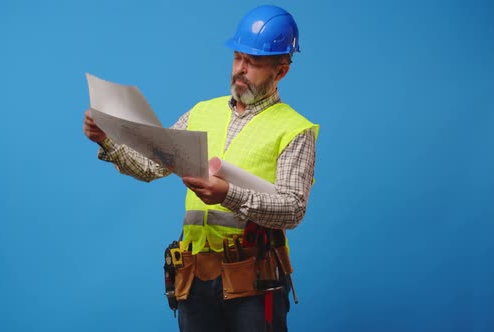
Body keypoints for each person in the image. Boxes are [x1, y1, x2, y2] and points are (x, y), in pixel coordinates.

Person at [83, 5, 319, 332]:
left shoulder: (295, 129)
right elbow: (151, 166)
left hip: (253, 283)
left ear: (281, 71)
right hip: (194, 281)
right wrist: (108, 140)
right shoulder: (200, 113)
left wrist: (229, 194)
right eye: (238, 57)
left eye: (254, 63)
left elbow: (293, 210)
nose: (241, 69)